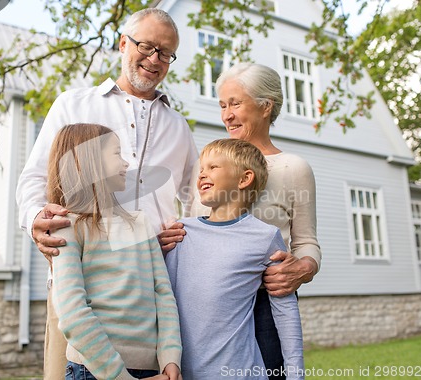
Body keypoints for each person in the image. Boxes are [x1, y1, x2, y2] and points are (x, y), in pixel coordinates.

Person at [15, 8, 198, 379]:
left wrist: (182, 234)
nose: (154, 60)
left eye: (166, 53)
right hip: (80, 282)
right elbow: (34, 178)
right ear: (122, 44)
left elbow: (198, 198)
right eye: (146, 47)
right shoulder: (74, 104)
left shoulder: (178, 126)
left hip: (150, 293)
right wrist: (37, 218)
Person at [160, 62, 321, 379]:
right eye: (222, 105)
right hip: (205, 305)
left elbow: (306, 241)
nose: (226, 115)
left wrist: (302, 269)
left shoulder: (292, 168)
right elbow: (197, 225)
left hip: (266, 302)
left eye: (235, 103)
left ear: (265, 106)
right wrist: (170, 240)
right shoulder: (209, 166)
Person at [47, 123, 181, 380]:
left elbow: (163, 294)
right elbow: (72, 312)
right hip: (92, 370)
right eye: (117, 154)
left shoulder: (140, 223)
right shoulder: (67, 228)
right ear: (88, 161)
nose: (125, 164)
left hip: (154, 371)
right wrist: (120, 377)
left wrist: (170, 358)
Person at [165, 138, 304, 380]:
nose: (201, 176)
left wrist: (295, 375)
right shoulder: (179, 233)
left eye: (213, 167)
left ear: (244, 179)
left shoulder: (265, 237)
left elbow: (286, 313)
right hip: (181, 373)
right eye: (201, 170)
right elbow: (161, 298)